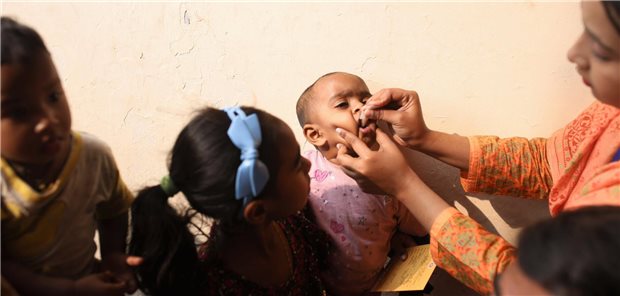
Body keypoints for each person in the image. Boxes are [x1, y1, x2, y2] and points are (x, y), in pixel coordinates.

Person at [332, 1, 620, 295]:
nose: (574, 54)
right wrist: (423, 138)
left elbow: (529, 288)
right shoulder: (612, 113)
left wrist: (404, 185)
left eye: (600, 46)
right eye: (342, 104)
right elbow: (550, 163)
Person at [128, 106, 330, 295]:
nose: (308, 163)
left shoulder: (290, 220)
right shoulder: (219, 286)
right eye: (296, 163)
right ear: (257, 212)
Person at [1, 17, 136, 295]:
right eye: (18, 112)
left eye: (53, 96)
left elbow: (114, 210)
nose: (47, 120)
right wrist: (70, 290)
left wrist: (113, 256)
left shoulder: (94, 156)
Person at [296, 72, 426, 295]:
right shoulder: (303, 171)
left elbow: (417, 224)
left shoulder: (388, 172)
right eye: (343, 104)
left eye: (365, 100)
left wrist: (394, 237)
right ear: (315, 134)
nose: (361, 108)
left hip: (373, 288)